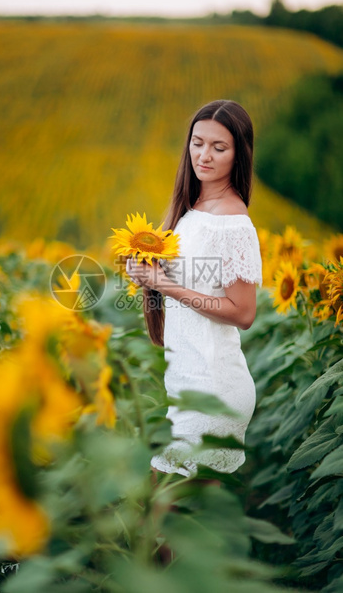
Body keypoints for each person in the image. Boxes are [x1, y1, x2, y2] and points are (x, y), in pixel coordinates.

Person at [126, 100, 263, 484]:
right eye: (198, 143)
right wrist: (147, 273)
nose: (204, 155)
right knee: (179, 526)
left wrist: (166, 284)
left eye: (219, 148)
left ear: (239, 155)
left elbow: (243, 313)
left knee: (165, 515)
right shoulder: (195, 207)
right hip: (188, 380)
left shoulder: (234, 223)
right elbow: (188, 281)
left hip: (214, 389)